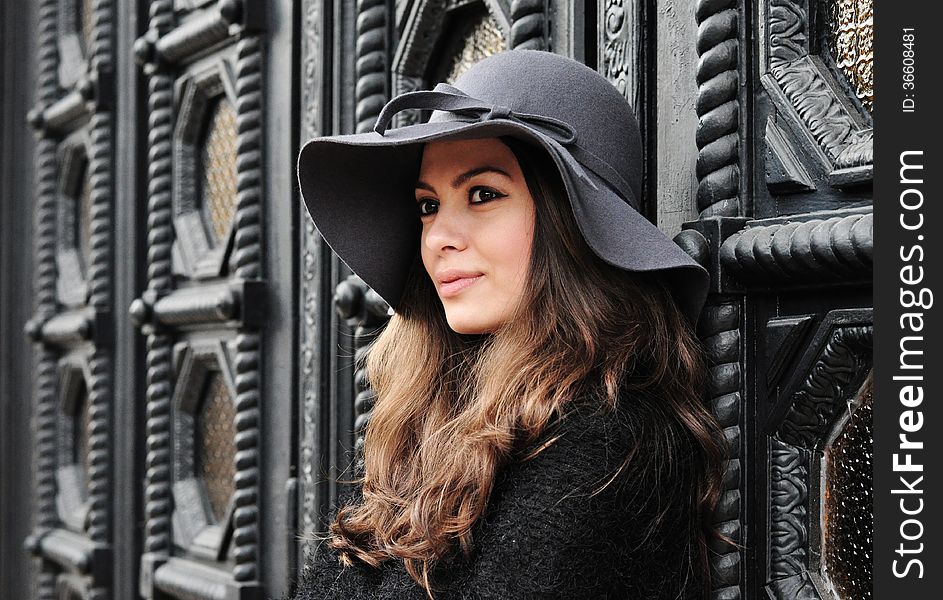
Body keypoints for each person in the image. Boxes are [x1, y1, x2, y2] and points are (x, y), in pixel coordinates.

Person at [290, 49, 725, 599]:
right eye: (428, 205)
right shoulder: (434, 415)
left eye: (483, 194)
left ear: (571, 227)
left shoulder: (608, 439)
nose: (438, 236)